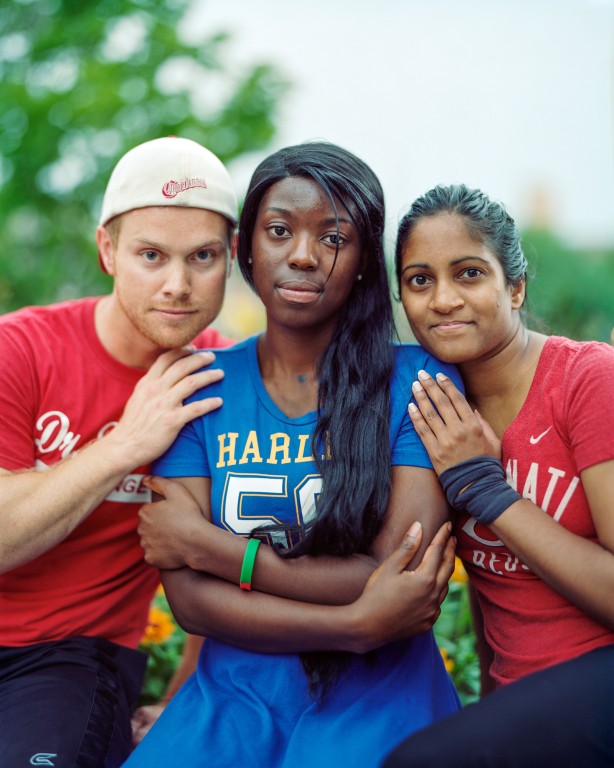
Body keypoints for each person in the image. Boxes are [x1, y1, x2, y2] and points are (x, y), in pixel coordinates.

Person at [122, 142, 462, 768]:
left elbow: (397, 576)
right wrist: (356, 622)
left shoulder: (418, 383)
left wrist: (218, 549)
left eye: (333, 238)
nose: (303, 256)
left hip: (380, 692)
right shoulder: (198, 383)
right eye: (279, 231)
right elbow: (192, 603)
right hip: (231, 695)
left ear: (363, 259)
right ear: (245, 246)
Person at [0, 136, 240, 768]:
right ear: (108, 249)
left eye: (203, 257)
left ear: (231, 256)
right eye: (151, 256)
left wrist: (186, 697)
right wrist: (128, 444)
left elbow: (236, 556)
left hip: (65, 662)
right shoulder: (19, 349)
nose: (178, 285)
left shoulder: (228, 382)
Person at [383, 183, 614, 768]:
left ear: (514, 286)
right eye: (419, 280)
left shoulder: (586, 380)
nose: (442, 300)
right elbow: (493, 596)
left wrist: (487, 491)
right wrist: (490, 711)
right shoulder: (431, 409)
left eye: (468, 274)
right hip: (529, 702)